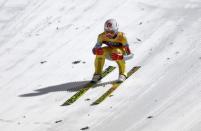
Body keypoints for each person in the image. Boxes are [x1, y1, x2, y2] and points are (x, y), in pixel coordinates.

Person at [91, 19, 132, 83]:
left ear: (116, 30)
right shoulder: (101, 36)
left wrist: (121, 57)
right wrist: (96, 51)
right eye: (107, 32)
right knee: (100, 51)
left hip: (118, 53)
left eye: (112, 32)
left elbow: (130, 55)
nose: (109, 34)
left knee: (117, 51)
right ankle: (97, 73)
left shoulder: (122, 37)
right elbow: (95, 49)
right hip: (110, 52)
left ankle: (123, 73)